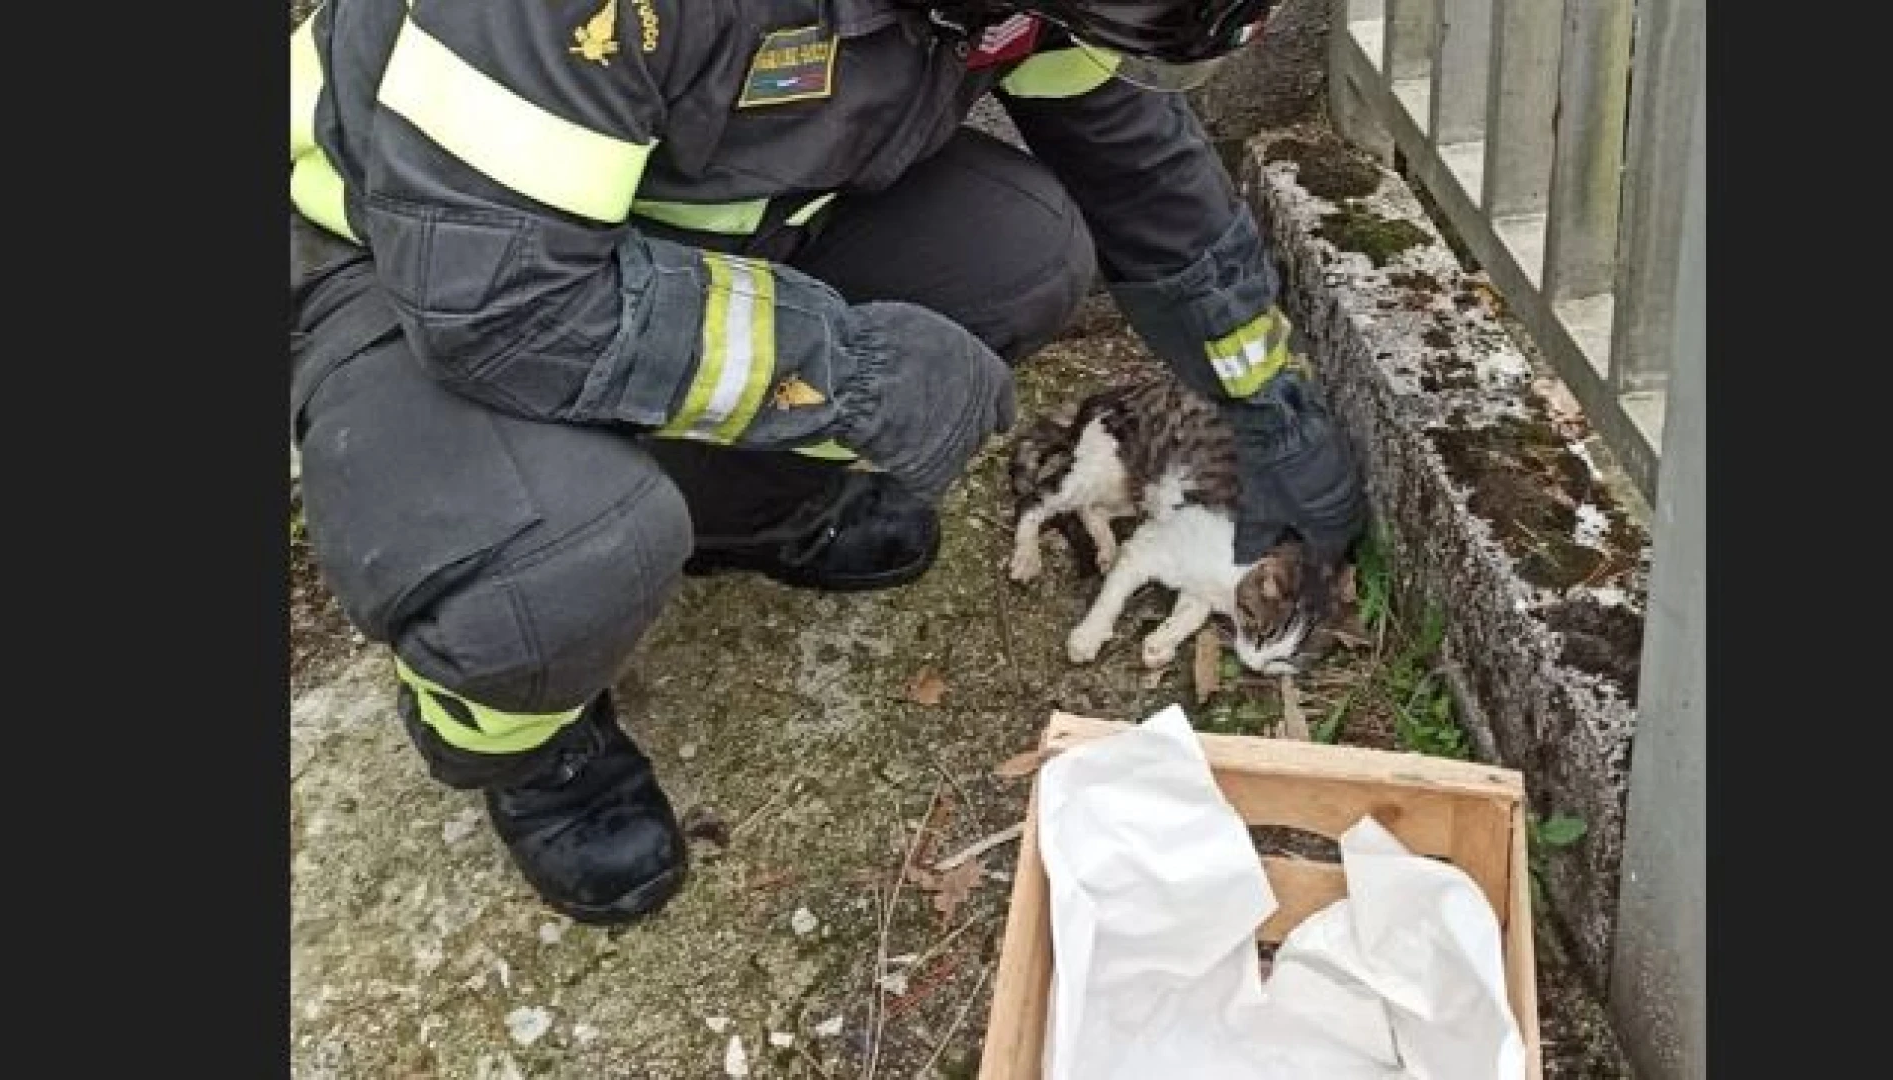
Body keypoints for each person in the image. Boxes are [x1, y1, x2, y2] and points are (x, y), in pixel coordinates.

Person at [288, 0, 1366, 924]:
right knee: (558, 557)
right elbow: (498, 304)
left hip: (657, 218)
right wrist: (846, 375)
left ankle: (739, 510)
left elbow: (1136, 166)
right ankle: (522, 740)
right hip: (388, 260)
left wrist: (1263, 399)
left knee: (1021, 254)